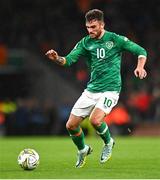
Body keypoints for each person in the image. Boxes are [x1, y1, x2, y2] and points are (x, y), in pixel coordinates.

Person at [45, 9, 147, 168]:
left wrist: (140, 67)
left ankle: (108, 143)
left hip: (111, 90)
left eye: (93, 27)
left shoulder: (115, 40)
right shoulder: (85, 43)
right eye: (88, 27)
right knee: (70, 125)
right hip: (91, 90)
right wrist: (57, 58)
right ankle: (83, 149)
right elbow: (69, 60)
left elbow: (141, 51)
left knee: (95, 120)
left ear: (102, 24)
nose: (90, 30)